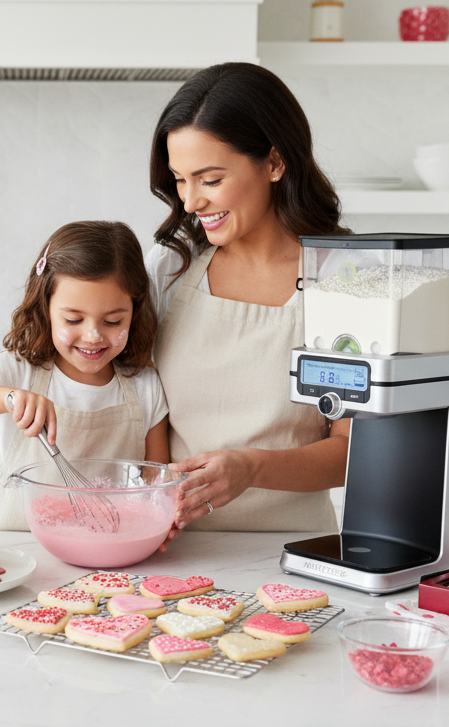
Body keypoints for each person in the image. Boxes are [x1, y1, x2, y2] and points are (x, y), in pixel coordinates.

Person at [146, 62, 350, 537]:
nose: (191, 202)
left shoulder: (342, 281)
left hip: (297, 551)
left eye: (210, 180)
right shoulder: (171, 267)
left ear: (275, 163)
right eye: (179, 179)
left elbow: (351, 453)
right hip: (174, 548)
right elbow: (139, 404)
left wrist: (251, 468)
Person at [0, 220, 170, 530]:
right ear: (45, 308)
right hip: (13, 554)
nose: (92, 335)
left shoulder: (145, 388)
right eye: (73, 319)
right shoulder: (16, 370)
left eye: (113, 321)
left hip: (107, 562)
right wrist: (8, 398)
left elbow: (158, 489)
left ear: (135, 311)